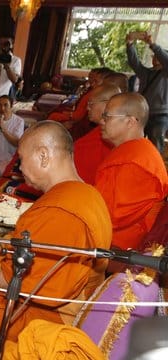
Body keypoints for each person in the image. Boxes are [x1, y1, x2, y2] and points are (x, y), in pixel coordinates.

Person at [0, 120, 112, 341]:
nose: (19, 167)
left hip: (52, 316)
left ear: (43, 156)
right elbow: (30, 255)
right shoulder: (86, 193)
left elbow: (25, 283)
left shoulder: (61, 212)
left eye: (21, 159)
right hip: (41, 292)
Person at [95, 92, 168, 251]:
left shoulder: (137, 162)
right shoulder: (130, 152)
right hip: (106, 236)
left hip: (119, 248)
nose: (101, 121)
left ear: (130, 121)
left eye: (107, 116)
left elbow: (114, 216)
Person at [126, 31, 168, 153]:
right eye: (153, 56)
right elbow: (134, 62)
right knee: (135, 141)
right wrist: (129, 44)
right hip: (143, 112)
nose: (155, 58)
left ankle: (154, 167)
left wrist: (152, 44)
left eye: (157, 56)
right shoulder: (147, 73)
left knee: (156, 144)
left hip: (160, 115)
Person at [73, 84, 120, 185]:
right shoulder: (98, 133)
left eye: (91, 104)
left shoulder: (108, 137)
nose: (87, 108)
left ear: (108, 104)